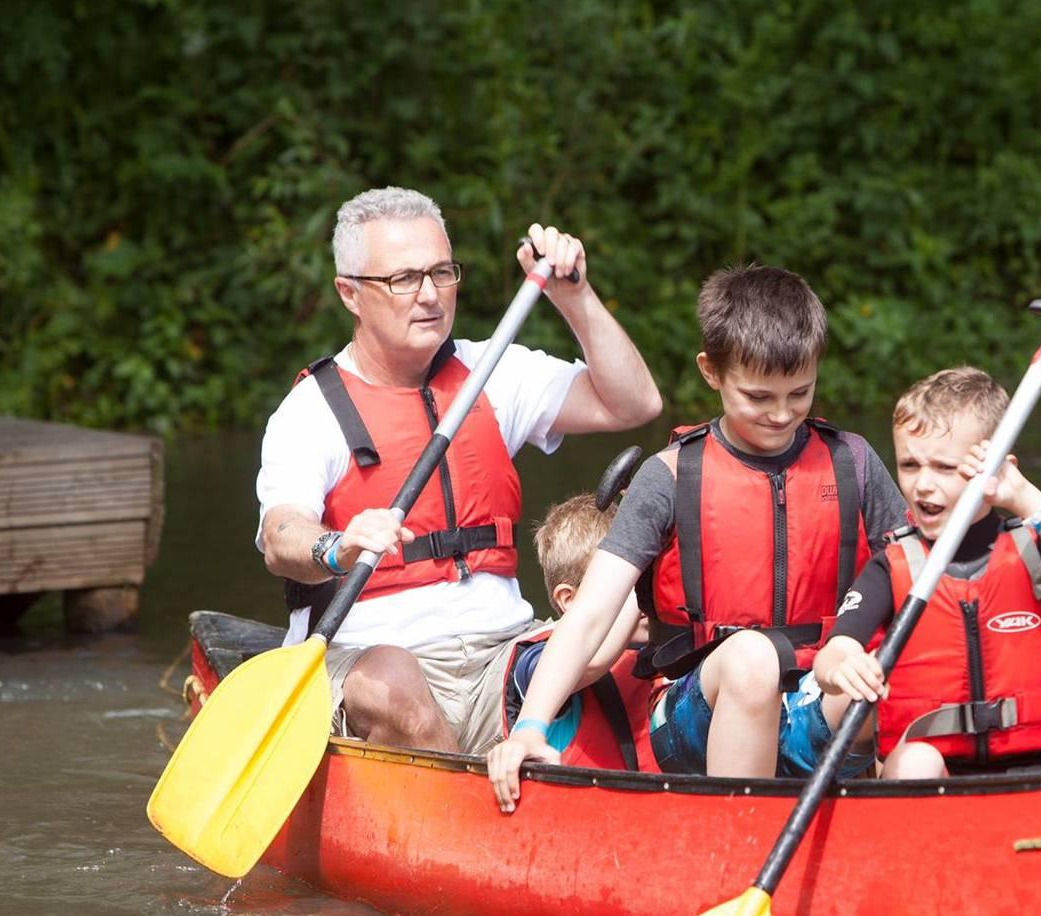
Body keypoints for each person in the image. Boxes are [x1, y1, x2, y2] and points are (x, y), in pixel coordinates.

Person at [256, 186, 661, 754]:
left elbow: (634, 404)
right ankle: (472, 806)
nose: (429, 296)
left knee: (615, 637)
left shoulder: (490, 370)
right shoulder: (311, 410)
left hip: (502, 649)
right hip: (370, 657)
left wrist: (575, 296)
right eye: (403, 279)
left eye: (442, 273)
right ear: (349, 293)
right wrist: (337, 547)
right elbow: (281, 537)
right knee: (394, 688)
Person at [486, 264, 907, 809]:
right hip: (695, 713)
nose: (782, 415)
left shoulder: (853, 462)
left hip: (813, 698)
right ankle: (731, 843)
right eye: (758, 397)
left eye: (799, 393)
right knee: (752, 657)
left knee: (884, 671)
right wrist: (531, 727)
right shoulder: (668, 478)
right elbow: (590, 614)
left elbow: (915, 572)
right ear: (711, 371)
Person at [811, 367, 1041, 780]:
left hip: (1034, 766)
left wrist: (1025, 496)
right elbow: (834, 650)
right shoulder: (893, 565)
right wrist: (841, 667)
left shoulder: (1031, 549)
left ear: (996, 470)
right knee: (917, 762)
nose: (922, 484)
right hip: (934, 773)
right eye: (910, 464)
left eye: (944, 467)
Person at [497, 493, 655, 771]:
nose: (644, 593)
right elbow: (590, 662)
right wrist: (639, 572)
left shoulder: (669, 649)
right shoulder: (535, 660)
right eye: (623, 583)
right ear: (569, 600)